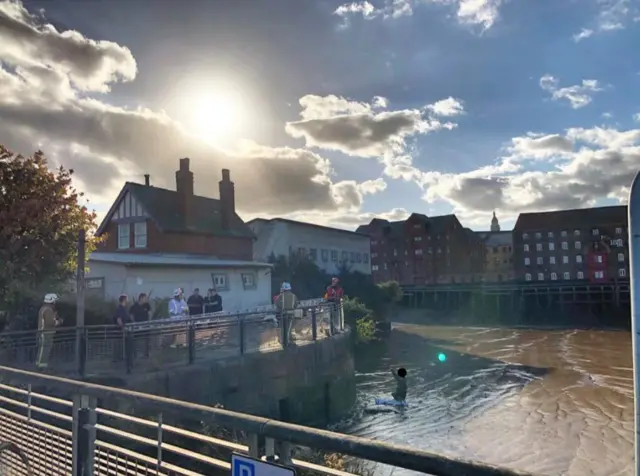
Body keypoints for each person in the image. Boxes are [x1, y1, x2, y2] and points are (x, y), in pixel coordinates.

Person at [36, 293, 62, 369]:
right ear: (52, 301)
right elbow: (50, 322)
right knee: (44, 349)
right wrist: (58, 322)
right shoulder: (48, 310)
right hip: (45, 333)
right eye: (55, 301)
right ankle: (41, 367)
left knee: (43, 349)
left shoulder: (45, 308)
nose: (55, 303)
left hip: (45, 333)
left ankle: (40, 365)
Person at [130, 293, 151, 357]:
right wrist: (134, 323)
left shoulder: (147, 305)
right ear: (141, 298)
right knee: (135, 340)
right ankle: (135, 354)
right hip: (137, 326)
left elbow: (150, 312)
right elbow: (131, 315)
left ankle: (146, 353)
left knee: (146, 339)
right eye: (145, 298)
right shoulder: (134, 306)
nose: (146, 300)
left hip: (146, 326)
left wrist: (149, 321)